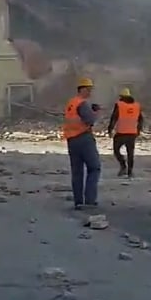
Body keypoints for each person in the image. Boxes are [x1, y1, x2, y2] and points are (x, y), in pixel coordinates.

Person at [62, 77, 101, 209]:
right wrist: (96, 111)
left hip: (71, 140)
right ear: (82, 89)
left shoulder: (71, 103)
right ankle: (90, 201)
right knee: (94, 167)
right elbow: (90, 120)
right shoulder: (82, 104)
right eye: (88, 89)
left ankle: (78, 202)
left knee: (77, 172)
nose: (90, 92)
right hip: (84, 138)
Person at [107, 88, 143, 178]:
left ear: (121, 97)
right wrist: (138, 130)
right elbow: (141, 119)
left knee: (116, 150)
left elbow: (114, 118)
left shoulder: (119, 105)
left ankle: (123, 166)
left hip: (121, 133)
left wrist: (110, 129)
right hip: (132, 133)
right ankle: (130, 172)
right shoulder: (136, 106)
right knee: (130, 153)